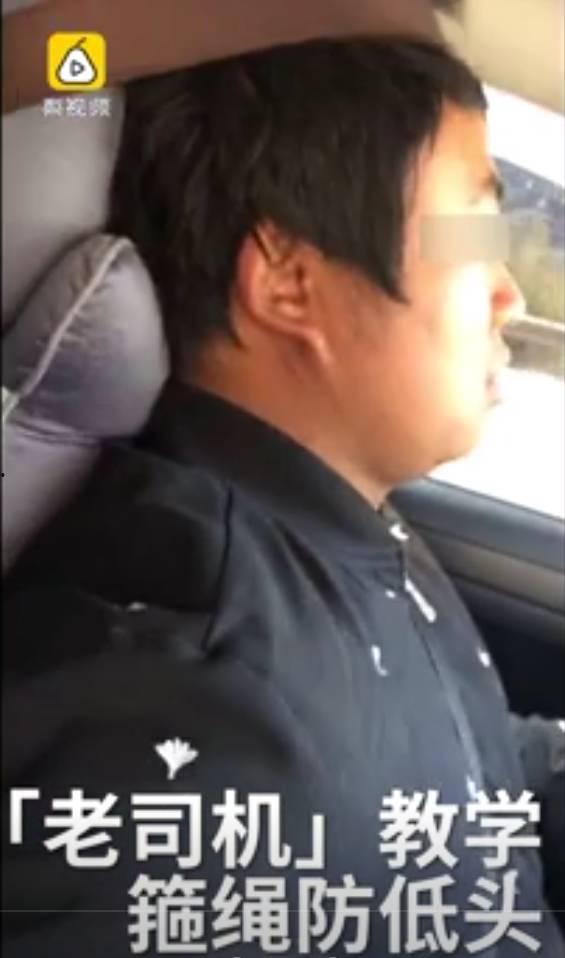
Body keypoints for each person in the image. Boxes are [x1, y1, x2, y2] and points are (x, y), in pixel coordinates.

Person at [3, 35, 564, 958]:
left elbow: (472, 771)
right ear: (288, 282)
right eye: (470, 235)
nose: (507, 294)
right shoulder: (184, 715)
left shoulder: (344, 523)